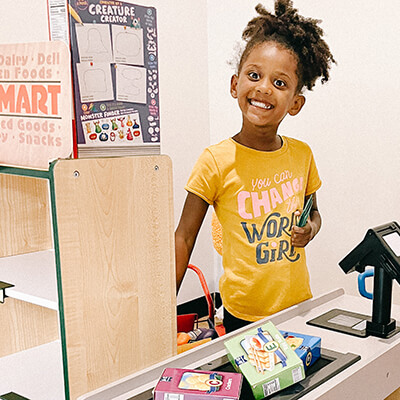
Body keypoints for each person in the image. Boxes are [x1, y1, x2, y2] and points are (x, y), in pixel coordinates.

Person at [175, 0, 335, 333]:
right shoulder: (215, 160)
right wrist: (162, 310)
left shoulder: (302, 155)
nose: (263, 87)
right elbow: (184, 238)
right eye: (254, 75)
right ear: (235, 85)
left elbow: (314, 213)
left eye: (280, 83)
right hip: (242, 316)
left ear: (295, 103)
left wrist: (311, 230)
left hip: (297, 309)